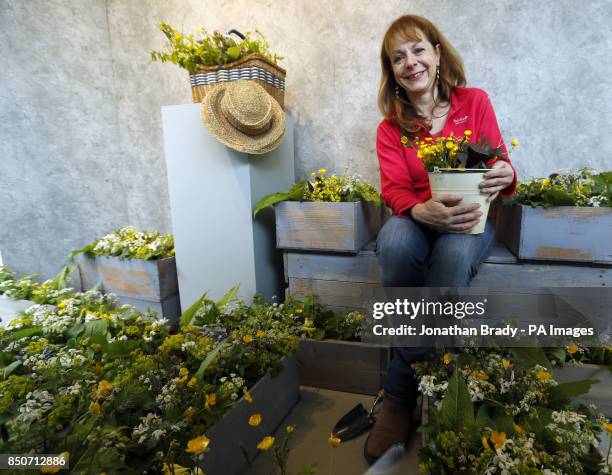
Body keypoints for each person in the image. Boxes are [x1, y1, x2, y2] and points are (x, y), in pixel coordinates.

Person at [363, 15, 517, 464]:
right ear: (391, 72)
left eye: (417, 50)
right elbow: (393, 190)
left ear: (436, 52)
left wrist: (506, 174)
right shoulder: (390, 128)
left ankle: (399, 393)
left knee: (450, 258)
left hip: (470, 219)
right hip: (418, 219)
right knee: (392, 242)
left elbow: (501, 164)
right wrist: (417, 208)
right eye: (397, 58)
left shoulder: (475, 102)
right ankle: (420, 386)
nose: (410, 63)